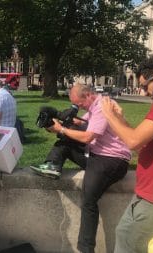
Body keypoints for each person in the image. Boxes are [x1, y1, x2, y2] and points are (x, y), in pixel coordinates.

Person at [31, 83, 131, 253]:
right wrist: (58, 121)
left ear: (88, 95)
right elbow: (82, 125)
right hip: (96, 155)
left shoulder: (102, 106)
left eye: (79, 103)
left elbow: (87, 137)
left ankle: (86, 249)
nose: (78, 107)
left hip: (113, 159)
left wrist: (61, 129)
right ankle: (53, 165)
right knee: (65, 141)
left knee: (89, 200)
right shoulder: (92, 108)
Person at [101, 53, 153, 253]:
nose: (144, 93)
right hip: (149, 194)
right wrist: (120, 119)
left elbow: (133, 141)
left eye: (146, 87)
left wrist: (108, 115)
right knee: (126, 236)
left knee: (128, 242)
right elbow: (141, 144)